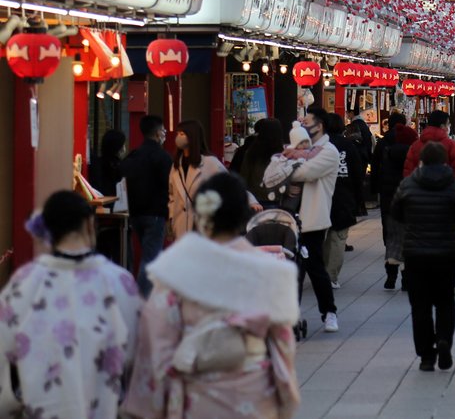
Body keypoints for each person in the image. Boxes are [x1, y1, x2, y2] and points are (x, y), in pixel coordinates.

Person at [124, 173, 300, 419]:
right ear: (243, 216)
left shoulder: (175, 270)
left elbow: (157, 342)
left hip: (195, 397)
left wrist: (151, 405)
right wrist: (285, 398)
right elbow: (282, 345)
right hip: (254, 395)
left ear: (200, 216)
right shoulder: (269, 270)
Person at [0, 191, 141, 419]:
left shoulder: (24, 283)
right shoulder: (118, 281)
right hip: (103, 407)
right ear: (89, 225)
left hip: (41, 409)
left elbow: (4, 348)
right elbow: (136, 351)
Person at [391, 142, 455, 372]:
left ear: (422, 160)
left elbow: (396, 212)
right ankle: (444, 339)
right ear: (444, 161)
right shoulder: (452, 185)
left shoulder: (408, 184)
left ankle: (426, 355)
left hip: (415, 253)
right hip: (446, 251)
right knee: (445, 300)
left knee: (420, 305)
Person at [284, 106, 340, 332]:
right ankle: (289, 316)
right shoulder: (300, 149)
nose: (302, 125)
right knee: (290, 269)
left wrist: (287, 162)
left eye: (306, 122)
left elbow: (300, 173)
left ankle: (329, 312)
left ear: (319, 126)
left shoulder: (329, 151)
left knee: (315, 268)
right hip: (288, 217)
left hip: (313, 217)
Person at [121, 114, 173, 296]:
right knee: (151, 258)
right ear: (158, 133)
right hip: (156, 213)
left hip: (135, 212)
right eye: (164, 130)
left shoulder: (133, 156)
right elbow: (169, 187)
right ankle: (141, 297)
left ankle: (146, 294)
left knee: (146, 254)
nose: (165, 133)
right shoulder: (163, 157)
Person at [372, 113, 418, 289]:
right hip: (407, 193)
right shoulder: (412, 146)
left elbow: (375, 165)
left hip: (388, 192)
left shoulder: (383, 144)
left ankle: (390, 274)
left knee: (391, 233)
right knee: (408, 234)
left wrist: (374, 188)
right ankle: (407, 277)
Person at [169, 120, 229, 241]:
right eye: (178, 133)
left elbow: (229, 186)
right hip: (180, 223)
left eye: (182, 134)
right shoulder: (176, 165)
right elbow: (171, 194)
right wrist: (172, 215)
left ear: (192, 137)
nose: (178, 137)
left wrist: (251, 202)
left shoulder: (210, 162)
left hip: (202, 224)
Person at [323, 123, 365, 288]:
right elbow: (357, 173)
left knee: (321, 237)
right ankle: (331, 275)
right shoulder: (348, 146)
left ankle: (321, 272)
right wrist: (358, 199)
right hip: (344, 197)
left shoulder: (320, 146)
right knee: (338, 238)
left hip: (323, 196)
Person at [403, 110, 455, 195]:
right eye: (448, 124)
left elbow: (408, 174)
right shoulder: (452, 146)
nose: (449, 126)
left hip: (419, 198)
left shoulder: (415, 146)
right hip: (446, 199)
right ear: (442, 126)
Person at [238, 118, 285, 204]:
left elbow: (244, 177)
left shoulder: (251, 153)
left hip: (255, 201)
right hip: (278, 200)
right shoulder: (283, 155)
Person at [92, 129, 126, 197]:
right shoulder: (119, 166)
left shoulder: (96, 163)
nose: (124, 148)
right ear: (119, 148)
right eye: (123, 145)